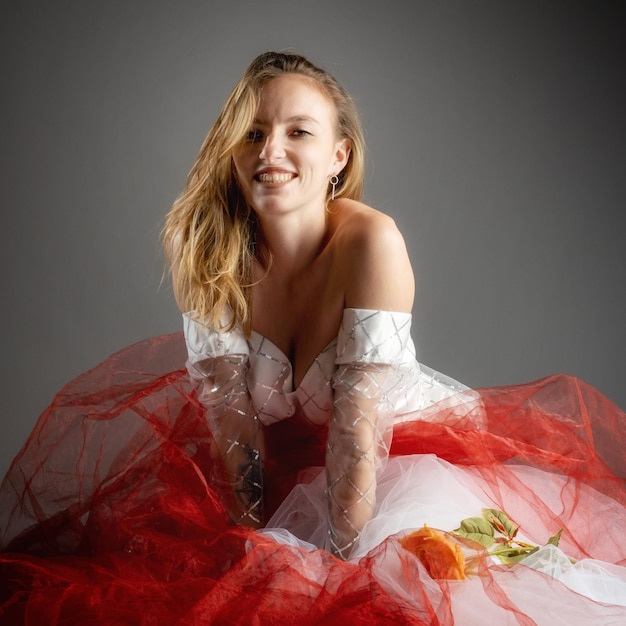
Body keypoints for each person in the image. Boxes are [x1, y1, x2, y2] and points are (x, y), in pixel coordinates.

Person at [0, 51, 625, 624]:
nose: (271, 150)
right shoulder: (206, 245)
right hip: (280, 477)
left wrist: (340, 580)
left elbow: (357, 430)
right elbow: (232, 423)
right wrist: (249, 547)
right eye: (253, 132)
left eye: (298, 131)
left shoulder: (371, 243)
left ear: (338, 157)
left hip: (395, 466)